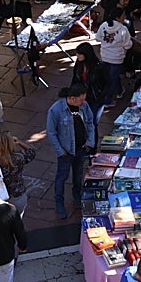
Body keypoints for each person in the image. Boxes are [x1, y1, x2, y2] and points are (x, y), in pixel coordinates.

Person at [45, 84, 96, 219]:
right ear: (72, 98)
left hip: (80, 149)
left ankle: (77, 195)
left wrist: (90, 142)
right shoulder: (55, 110)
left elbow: (90, 123)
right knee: (61, 177)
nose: (83, 102)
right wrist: (60, 151)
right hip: (66, 152)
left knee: (78, 174)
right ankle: (59, 203)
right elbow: (51, 132)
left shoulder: (84, 106)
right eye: (80, 100)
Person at [0, 131, 36, 215]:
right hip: (18, 196)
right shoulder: (19, 157)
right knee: (17, 223)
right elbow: (31, 152)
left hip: (0, 198)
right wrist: (19, 142)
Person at [94, 7, 132, 104]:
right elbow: (128, 45)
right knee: (112, 79)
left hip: (105, 56)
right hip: (117, 58)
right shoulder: (123, 29)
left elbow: (98, 38)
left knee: (111, 76)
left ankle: (119, 91)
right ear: (118, 18)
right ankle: (108, 100)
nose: (125, 17)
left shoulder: (103, 26)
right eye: (123, 15)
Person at [71, 42, 110, 127]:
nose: (77, 55)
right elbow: (75, 78)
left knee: (93, 121)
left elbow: (107, 83)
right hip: (82, 97)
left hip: (95, 98)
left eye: (79, 54)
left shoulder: (99, 67)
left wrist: (102, 97)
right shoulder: (78, 64)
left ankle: (92, 138)